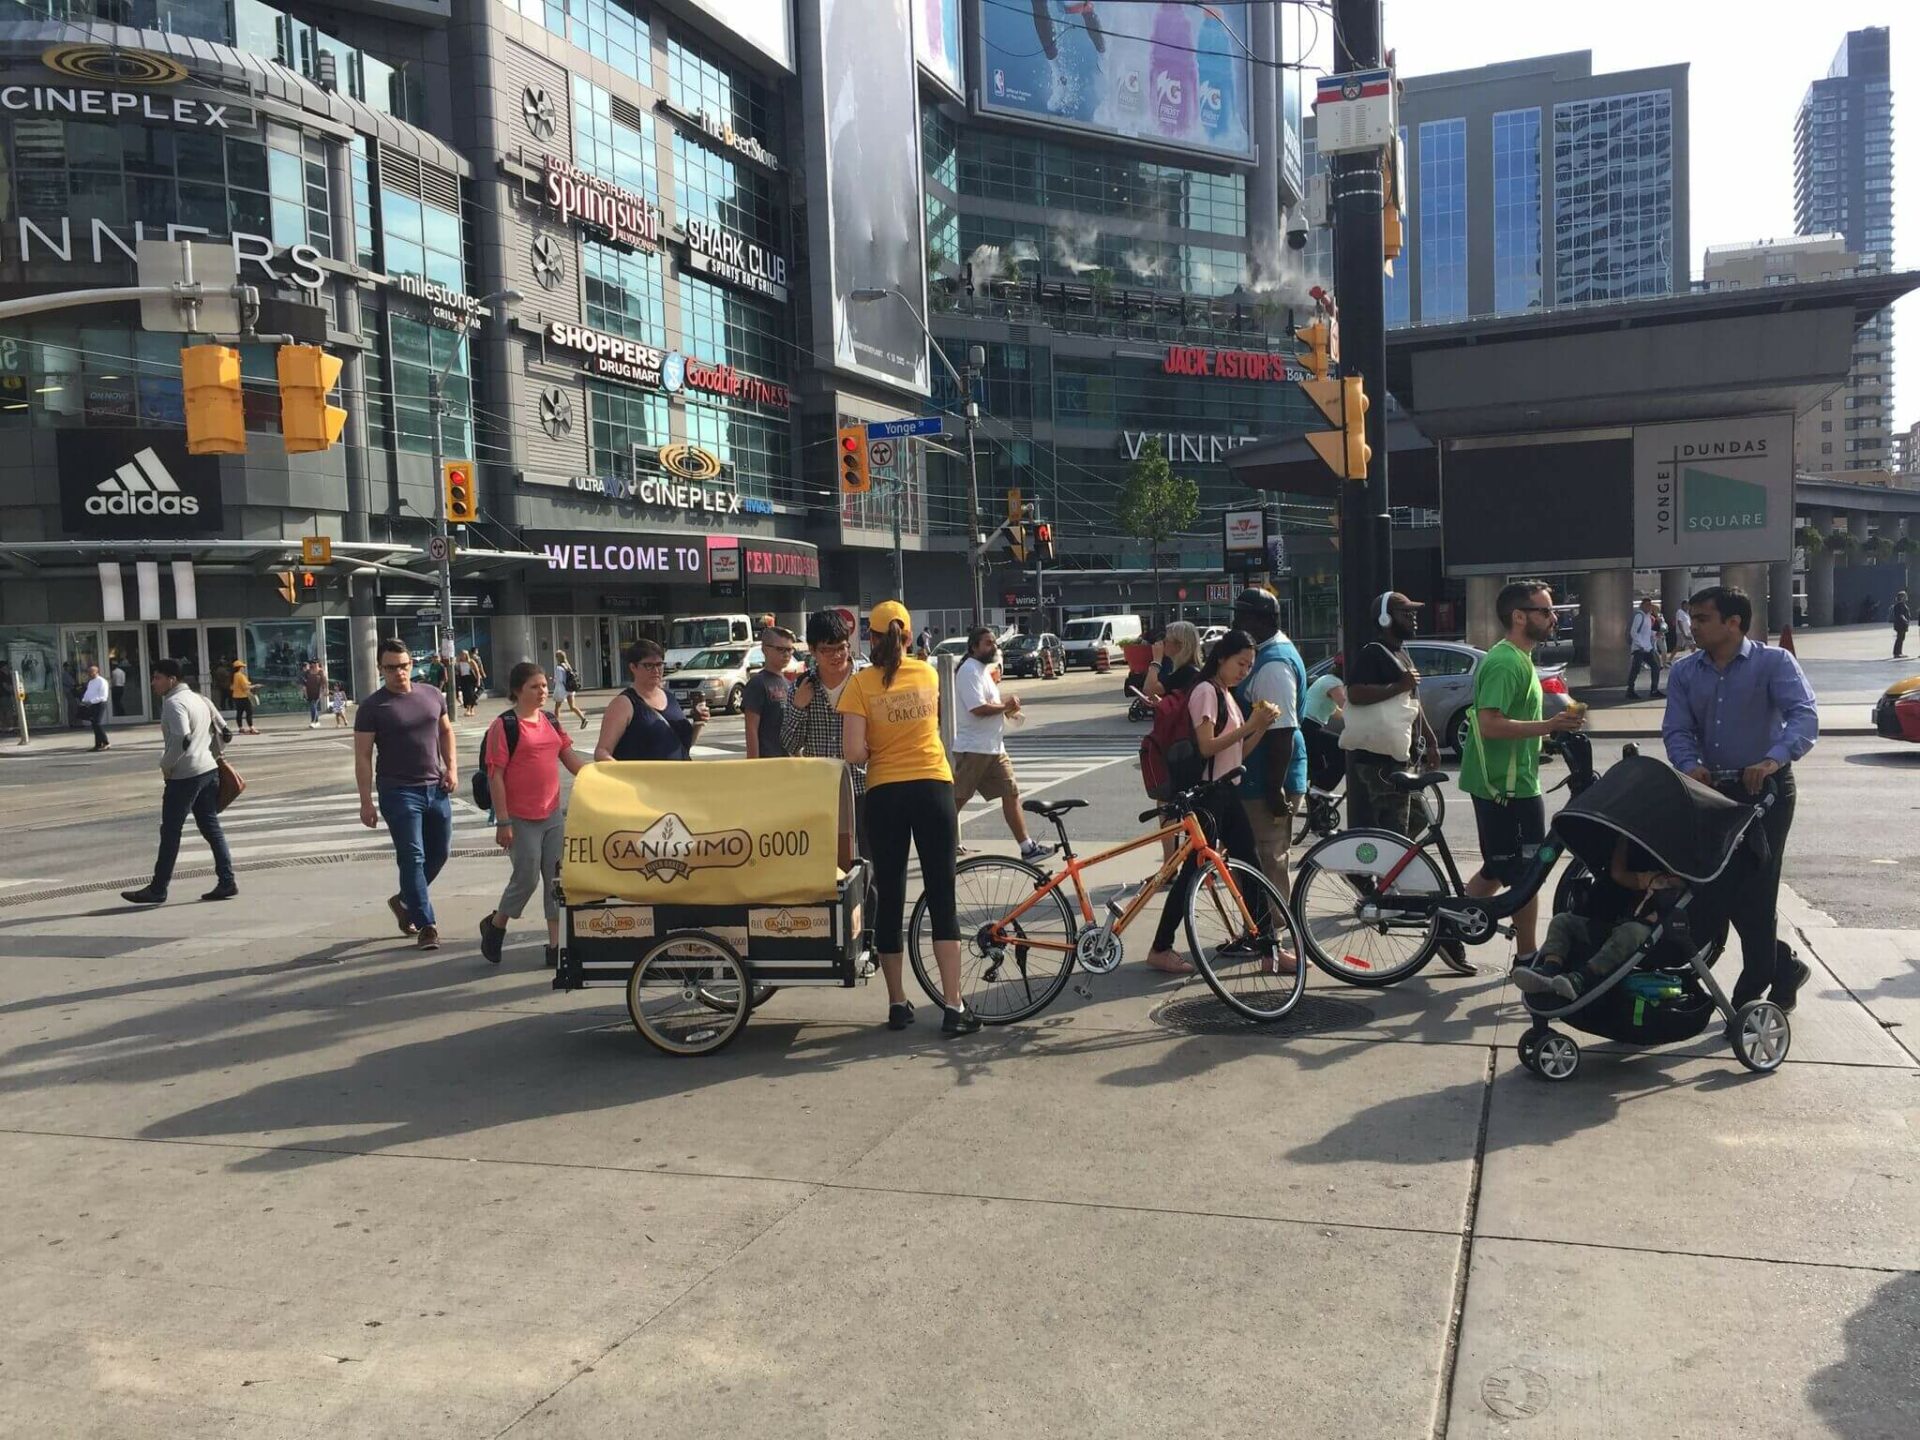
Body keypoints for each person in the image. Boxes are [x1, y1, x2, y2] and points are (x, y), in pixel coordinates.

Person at [1661, 585, 1819, 1011]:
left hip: (1764, 791)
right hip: (1711, 792)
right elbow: (1677, 728)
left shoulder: (1773, 663)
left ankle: (1751, 991)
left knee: (1756, 888)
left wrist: (1772, 760)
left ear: (1734, 622)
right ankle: (1783, 966)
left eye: (1702, 619)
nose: (1692, 626)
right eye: (1691, 618)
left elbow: (1803, 716)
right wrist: (1688, 763)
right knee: (1714, 889)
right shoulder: (1685, 671)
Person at [838, 601, 979, 1036]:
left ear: (873, 637)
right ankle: (954, 1006)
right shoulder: (929, 674)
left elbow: (853, 752)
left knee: (892, 894)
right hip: (934, 787)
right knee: (943, 895)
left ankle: (898, 1003)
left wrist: (881, 747)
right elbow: (934, 725)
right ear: (909, 635)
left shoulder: (859, 684)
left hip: (886, 793)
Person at [1459, 581, 1587, 966]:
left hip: (1514, 783)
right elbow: (1489, 725)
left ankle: (1450, 928)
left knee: (1502, 868)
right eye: (1545, 611)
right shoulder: (1504, 662)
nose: (1553, 618)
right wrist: (1550, 726)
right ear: (1519, 617)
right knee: (1525, 872)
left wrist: (1548, 736)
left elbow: (1516, 723)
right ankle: (1526, 954)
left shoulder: (1520, 658)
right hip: (1505, 788)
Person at [1145, 629, 1279, 974]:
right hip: (1207, 796)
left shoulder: (1225, 693)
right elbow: (1207, 747)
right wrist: (1250, 724)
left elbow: (1236, 752)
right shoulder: (1206, 691)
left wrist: (1259, 728)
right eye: (1240, 663)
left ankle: (1268, 950)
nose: (1244, 671)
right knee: (1196, 872)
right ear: (1221, 658)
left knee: (1248, 867)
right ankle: (1160, 947)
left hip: (1225, 790)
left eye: (1249, 666)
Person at [478, 663, 588, 970]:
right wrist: (503, 821)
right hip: (519, 816)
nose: (542, 692)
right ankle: (496, 925)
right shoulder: (505, 725)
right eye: (534, 687)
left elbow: (568, 757)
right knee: (525, 878)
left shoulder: (550, 720)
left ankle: (556, 946)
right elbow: (495, 776)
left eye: (544, 686)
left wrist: (600, 777)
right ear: (517, 691)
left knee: (557, 881)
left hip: (552, 813)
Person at [355, 638, 458, 951]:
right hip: (398, 791)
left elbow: (445, 731)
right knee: (413, 858)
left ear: (412, 664)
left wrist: (451, 768)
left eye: (403, 666)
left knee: (439, 853)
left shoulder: (432, 694)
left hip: (435, 787)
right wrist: (366, 801)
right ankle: (427, 923)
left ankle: (404, 900)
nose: (398, 673)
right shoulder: (373, 706)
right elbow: (362, 755)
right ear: (380, 669)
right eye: (391, 668)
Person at [121, 659, 236, 905]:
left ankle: (158, 888)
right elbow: (226, 732)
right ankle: (227, 880)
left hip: (185, 775)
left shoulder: (174, 703)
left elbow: (182, 738)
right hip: (208, 770)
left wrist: (166, 765)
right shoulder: (200, 698)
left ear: (171, 680)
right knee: (211, 827)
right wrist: (210, 753)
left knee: (171, 831)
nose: (153, 683)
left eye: (157, 678)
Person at [1512, 835, 1680, 1001]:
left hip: (1647, 934)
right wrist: (1622, 839)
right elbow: (1618, 874)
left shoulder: (1685, 885)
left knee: (1632, 931)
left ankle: (1582, 978)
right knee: (1562, 921)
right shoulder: (1654, 877)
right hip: (1617, 928)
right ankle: (1549, 969)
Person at [1230, 588, 1309, 904]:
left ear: (1259, 620)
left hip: (1267, 780)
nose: (1235, 622)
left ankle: (1274, 931)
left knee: (1268, 857)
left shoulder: (1273, 665)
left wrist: (1274, 789)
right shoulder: (1265, 652)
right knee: (1255, 857)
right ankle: (1261, 930)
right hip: (1258, 776)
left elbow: (1281, 732)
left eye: (1241, 616)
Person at [1341, 592, 1440, 837]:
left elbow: (1412, 702)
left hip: (1400, 753)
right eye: (1406, 614)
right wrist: (1398, 686)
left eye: (1414, 613)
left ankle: (1387, 870)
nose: (1413, 618)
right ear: (1385, 618)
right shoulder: (1373, 653)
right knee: (1394, 829)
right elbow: (1354, 693)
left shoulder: (1401, 652)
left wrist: (1431, 740)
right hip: (1379, 759)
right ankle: (1384, 873)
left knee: (1415, 818)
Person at [951, 626, 1052, 863]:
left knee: (1011, 792)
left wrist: (1007, 711)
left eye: (994, 643)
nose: (993, 647)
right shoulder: (969, 671)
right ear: (974, 647)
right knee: (956, 799)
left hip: (993, 748)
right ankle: (936, 846)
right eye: (987, 643)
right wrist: (1006, 706)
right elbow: (977, 709)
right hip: (974, 748)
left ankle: (1027, 848)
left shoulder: (983, 670)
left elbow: (989, 705)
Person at [781, 608, 867, 855]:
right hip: (821, 790)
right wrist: (798, 706)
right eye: (826, 650)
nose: (836, 656)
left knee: (872, 865)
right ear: (812, 650)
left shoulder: (865, 680)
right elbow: (789, 743)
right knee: (828, 864)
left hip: (864, 787)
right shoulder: (801, 686)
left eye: (841, 647)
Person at [594, 639, 707, 761]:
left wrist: (698, 724)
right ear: (633, 667)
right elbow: (602, 752)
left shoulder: (670, 697)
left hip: (678, 776)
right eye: (648, 665)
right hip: (642, 778)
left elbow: (682, 745)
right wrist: (623, 774)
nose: (656, 670)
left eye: (659, 664)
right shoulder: (624, 703)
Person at [742, 626, 796, 759]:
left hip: (789, 762)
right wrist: (754, 765)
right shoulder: (757, 683)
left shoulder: (789, 684)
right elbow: (751, 729)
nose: (786, 654)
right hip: (768, 762)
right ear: (765, 649)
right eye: (780, 649)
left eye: (789, 649)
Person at [1302, 659, 1347, 792]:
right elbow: (1345, 705)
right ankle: (1319, 790)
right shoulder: (1334, 683)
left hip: (1306, 726)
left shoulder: (1327, 679)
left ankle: (1315, 800)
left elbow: (1337, 712)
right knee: (1343, 752)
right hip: (1309, 726)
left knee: (1319, 767)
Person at [1144, 621, 1201, 702]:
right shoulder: (1187, 668)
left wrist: (1156, 660)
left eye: (1166, 640)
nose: (1163, 644)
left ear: (1180, 645)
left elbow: (1149, 689)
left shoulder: (1187, 671)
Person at [1627, 597, 1665, 700]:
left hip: (1647, 647)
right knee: (1636, 669)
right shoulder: (1639, 616)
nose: (1649, 607)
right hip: (1640, 648)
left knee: (1656, 666)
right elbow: (1634, 632)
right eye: (1647, 605)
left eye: (1650, 605)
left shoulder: (1648, 617)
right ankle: (1630, 690)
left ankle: (1654, 690)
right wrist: (1640, 645)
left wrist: (1655, 634)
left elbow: (1646, 632)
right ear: (1642, 605)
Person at [551, 648, 588, 730]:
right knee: (572, 706)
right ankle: (583, 718)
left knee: (557, 706)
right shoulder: (568, 665)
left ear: (558, 658)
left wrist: (553, 680)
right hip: (570, 689)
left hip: (562, 689)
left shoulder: (559, 667)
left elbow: (559, 679)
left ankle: (556, 725)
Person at [80, 663, 110, 751]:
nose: (89, 674)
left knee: (97, 723)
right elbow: (88, 692)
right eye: (88, 672)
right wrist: (84, 701)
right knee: (94, 723)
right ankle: (98, 744)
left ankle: (106, 742)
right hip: (91, 704)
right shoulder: (91, 682)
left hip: (100, 703)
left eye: (91, 672)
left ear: (96, 672)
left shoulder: (102, 681)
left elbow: (103, 696)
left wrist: (92, 701)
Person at [228, 659, 258, 734]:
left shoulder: (233, 676)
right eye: (242, 667)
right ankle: (251, 728)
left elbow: (231, 687)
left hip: (236, 697)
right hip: (244, 696)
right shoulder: (240, 676)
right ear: (239, 668)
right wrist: (255, 686)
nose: (243, 668)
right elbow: (245, 687)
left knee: (239, 713)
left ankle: (240, 728)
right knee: (249, 712)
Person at [455, 649, 484, 718]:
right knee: (465, 694)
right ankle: (468, 709)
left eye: (463, 654)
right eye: (461, 654)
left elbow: (477, 671)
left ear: (466, 655)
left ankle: (471, 709)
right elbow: (456, 669)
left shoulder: (471, 661)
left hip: (470, 678)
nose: (462, 656)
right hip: (463, 678)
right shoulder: (459, 662)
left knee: (470, 694)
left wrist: (478, 681)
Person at [303, 660, 327, 728]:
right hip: (309, 692)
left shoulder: (321, 672)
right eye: (313, 663)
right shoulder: (308, 672)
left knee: (313, 705)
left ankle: (313, 722)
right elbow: (304, 682)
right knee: (313, 707)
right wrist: (304, 691)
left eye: (315, 663)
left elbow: (324, 682)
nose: (314, 665)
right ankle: (317, 722)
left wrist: (325, 690)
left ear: (318, 664)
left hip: (318, 692)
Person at [1893, 590, 1911, 660]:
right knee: (1899, 638)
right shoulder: (1899, 605)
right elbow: (1900, 615)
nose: (1906, 597)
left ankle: (1899, 652)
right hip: (1900, 625)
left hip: (1902, 625)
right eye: (1905, 596)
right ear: (1902, 597)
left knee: (1901, 638)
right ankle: (1896, 653)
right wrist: (1905, 620)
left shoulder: (1902, 604)